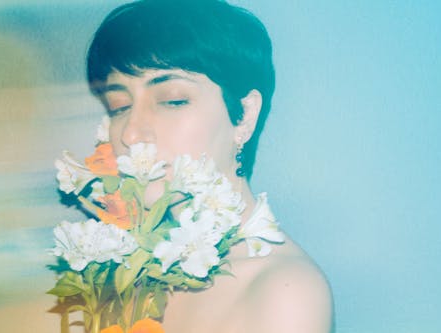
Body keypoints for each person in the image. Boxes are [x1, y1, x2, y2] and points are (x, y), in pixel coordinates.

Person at [86, 0, 332, 332]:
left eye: (172, 100)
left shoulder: (285, 291)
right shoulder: (134, 268)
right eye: (118, 106)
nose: (130, 133)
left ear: (244, 115)